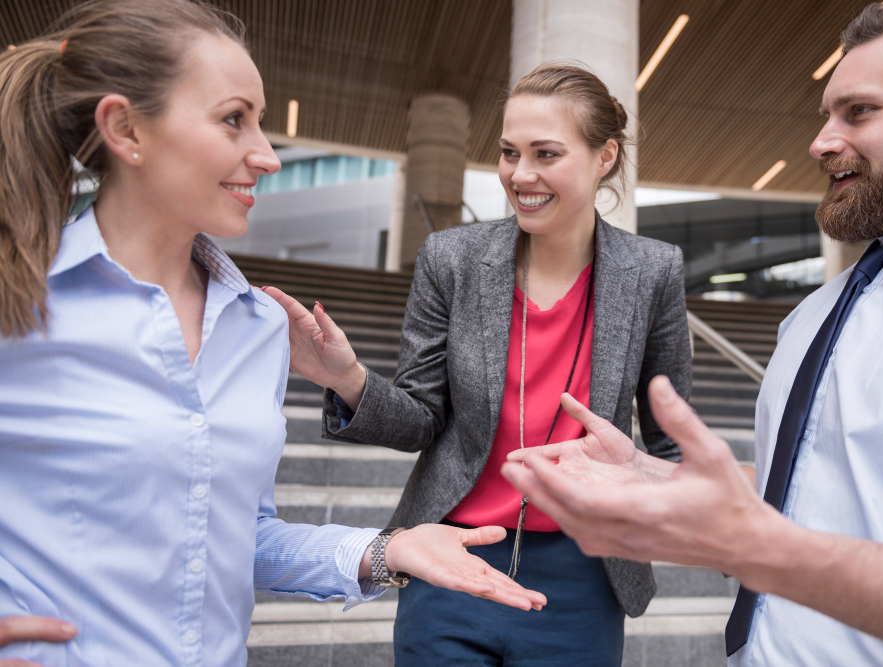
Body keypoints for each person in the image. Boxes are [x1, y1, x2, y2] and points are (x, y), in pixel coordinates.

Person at [0, 1, 546, 665]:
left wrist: (388, 550)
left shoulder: (259, 327)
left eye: (259, 122)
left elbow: (235, 538)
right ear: (125, 128)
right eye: (234, 119)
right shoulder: (20, 304)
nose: (267, 156)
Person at [502, 1, 883, 666]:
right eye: (827, 114)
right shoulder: (815, 313)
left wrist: (750, 547)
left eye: (859, 112)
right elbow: (825, 481)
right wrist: (650, 476)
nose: (821, 142)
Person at [265, 63, 691, 665]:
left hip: (585, 576)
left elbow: (671, 440)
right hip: (452, 557)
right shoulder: (451, 258)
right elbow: (421, 418)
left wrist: (728, 535)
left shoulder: (653, 271)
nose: (521, 174)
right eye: (509, 152)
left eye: (546, 153)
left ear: (605, 157)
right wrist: (346, 379)